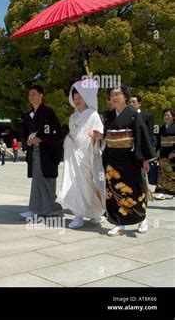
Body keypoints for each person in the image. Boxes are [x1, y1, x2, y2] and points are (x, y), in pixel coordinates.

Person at [91, 85, 156, 236]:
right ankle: (118, 223)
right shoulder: (109, 115)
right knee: (114, 192)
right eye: (112, 94)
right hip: (112, 160)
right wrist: (99, 136)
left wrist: (145, 160)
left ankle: (141, 219)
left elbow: (142, 137)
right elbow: (107, 134)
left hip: (130, 160)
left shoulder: (133, 114)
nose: (114, 97)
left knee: (135, 190)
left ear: (125, 96)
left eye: (118, 94)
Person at [56, 79, 105, 229]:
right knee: (76, 185)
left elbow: (101, 135)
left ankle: (96, 213)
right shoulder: (72, 117)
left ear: (86, 98)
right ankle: (78, 215)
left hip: (88, 155)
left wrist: (96, 136)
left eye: (80, 98)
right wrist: (69, 140)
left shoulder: (94, 115)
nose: (77, 101)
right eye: (75, 98)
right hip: (75, 155)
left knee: (91, 185)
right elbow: (73, 133)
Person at [20, 84, 63, 219]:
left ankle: (50, 209)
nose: (31, 96)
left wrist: (41, 138)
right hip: (34, 152)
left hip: (47, 152)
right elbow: (24, 133)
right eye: (29, 94)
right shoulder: (28, 115)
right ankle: (36, 209)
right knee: (37, 180)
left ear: (41, 95)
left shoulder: (48, 112)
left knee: (46, 180)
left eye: (34, 93)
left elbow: (56, 132)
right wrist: (27, 142)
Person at [154, 108, 175, 197]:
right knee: (162, 172)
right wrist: (157, 151)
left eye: (168, 115)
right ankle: (163, 191)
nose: (166, 117)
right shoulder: (161, 128)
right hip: (163, 152)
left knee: (172, 171)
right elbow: (158, 142)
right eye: (165, 115)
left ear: (173, 117)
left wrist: (174, 151)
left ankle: (172, 190)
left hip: (172, 152)